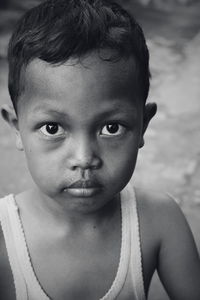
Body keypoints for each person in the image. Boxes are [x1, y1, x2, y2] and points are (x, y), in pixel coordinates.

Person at [0, 0, 200, 299]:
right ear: (16, 127)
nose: (84, 158)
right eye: (53, 128)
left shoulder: (159, 221)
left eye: (111, 128)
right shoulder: (4, 237)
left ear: (143, 126)